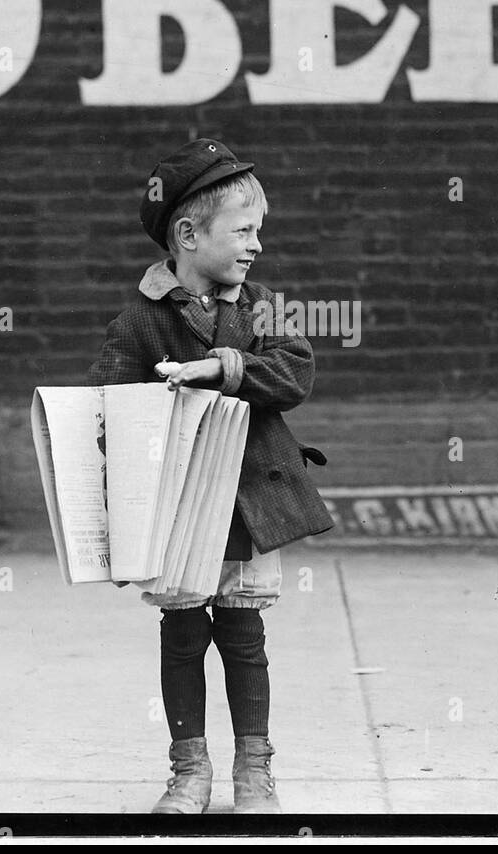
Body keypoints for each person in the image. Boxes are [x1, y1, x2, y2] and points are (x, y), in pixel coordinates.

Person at [86, 138, 333, 814]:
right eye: (243, 230)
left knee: (244, 638)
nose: (256, 245)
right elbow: (109, 415)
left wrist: (222, 368)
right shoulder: (138, 321)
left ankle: (256, 771)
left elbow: (295, 372)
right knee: (184, 635)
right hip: (178, 513)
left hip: (245, 506)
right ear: (189, 235)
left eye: (261, 231)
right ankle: (188, 771)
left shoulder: (262, 306)